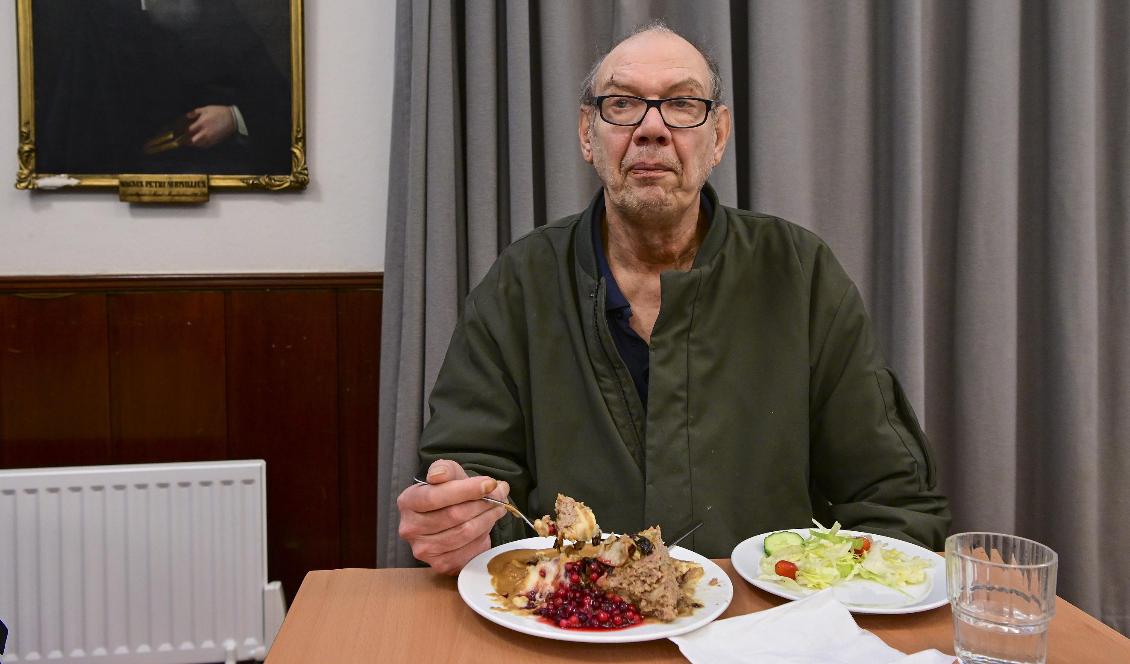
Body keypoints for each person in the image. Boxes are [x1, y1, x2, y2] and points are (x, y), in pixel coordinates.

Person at [397, 22, 950, 575]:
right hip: (570, 622)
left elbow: (891, 498)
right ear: (588, 133)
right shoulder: (522, 281)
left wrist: (836, 603)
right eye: (622, 104)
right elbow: (475, 474)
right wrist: (462, 522)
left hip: (760, 627)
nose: (652, 129)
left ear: (720, 134)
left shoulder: (799, 272)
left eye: (683, 104)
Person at [32, 0, 291, 176]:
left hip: (219, 184)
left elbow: (280, 104)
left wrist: (234, 117)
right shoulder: (97, 20)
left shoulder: (221, 14)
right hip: (115, 187)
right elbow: (69, 134)